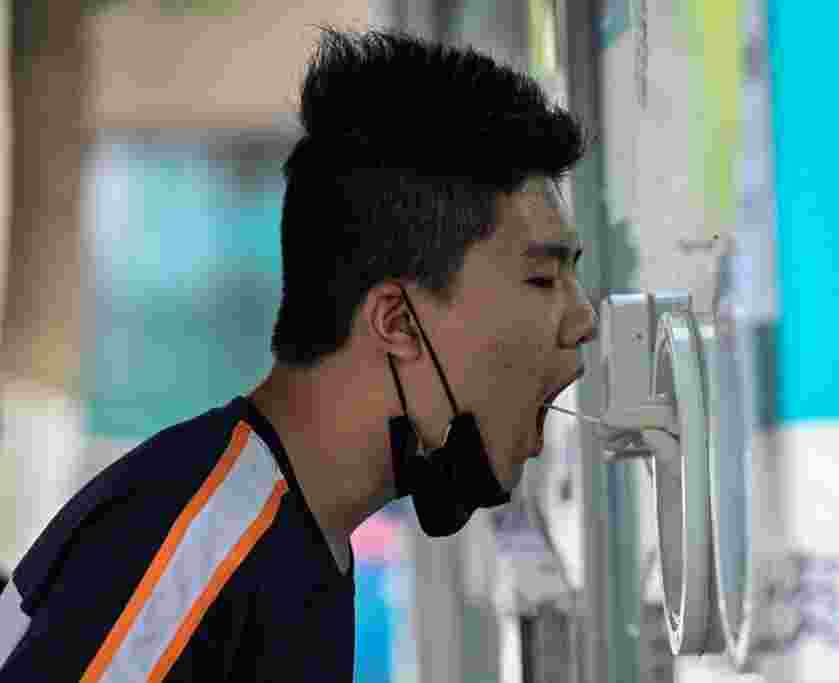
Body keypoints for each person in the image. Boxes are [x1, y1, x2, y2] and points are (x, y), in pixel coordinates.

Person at [0, 26, 598, 682]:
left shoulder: (307, 537)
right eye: (542, 278)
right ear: (397, 321)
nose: (582, 321)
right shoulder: (207, 540)